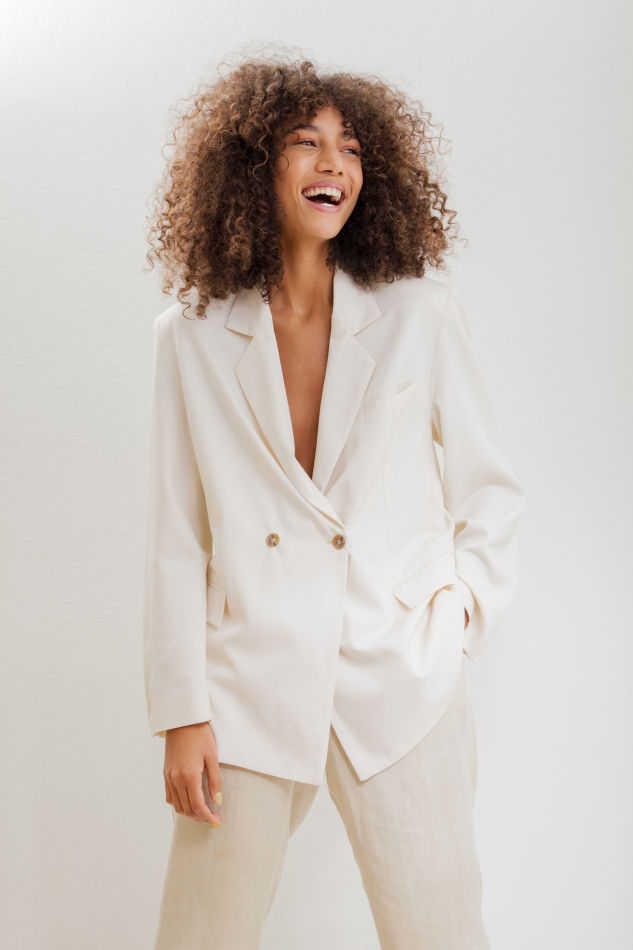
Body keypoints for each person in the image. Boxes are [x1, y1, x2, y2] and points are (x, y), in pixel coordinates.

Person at [142, 52, 527, 950]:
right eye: (304, 142)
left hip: (399, 670)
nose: (333, 165)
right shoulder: (189, 336)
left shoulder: (420, 313)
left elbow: (489, 488)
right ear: (251, 166)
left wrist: (455, 618)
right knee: (200, 934)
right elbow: (175, 535)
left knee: (437, 929)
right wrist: (181, 710)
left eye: (350, 147)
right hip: (246, 677)